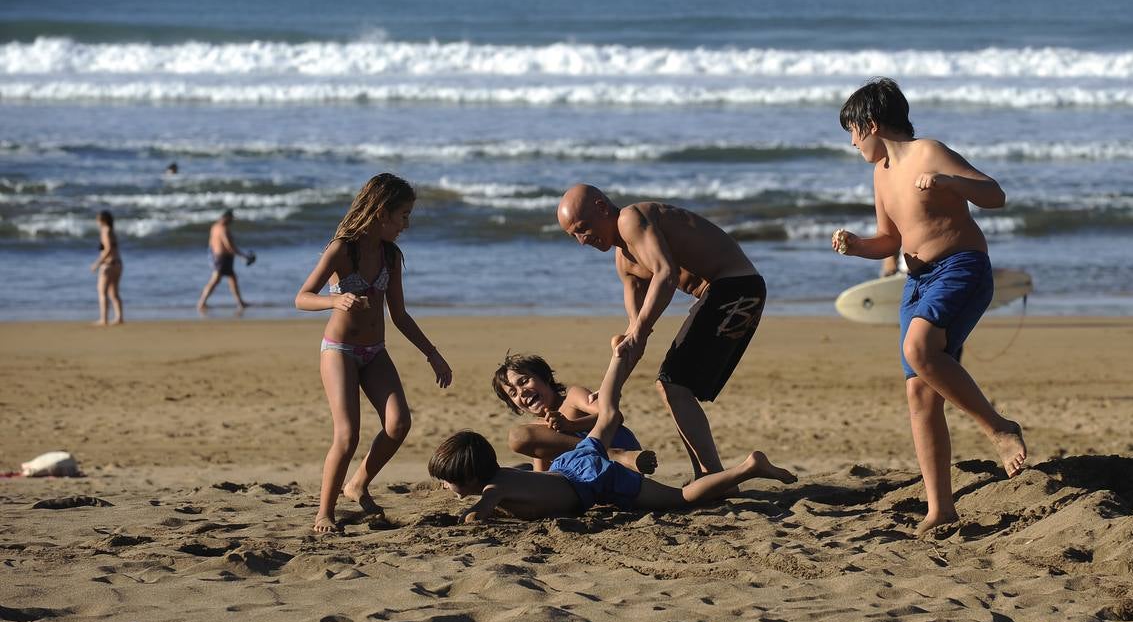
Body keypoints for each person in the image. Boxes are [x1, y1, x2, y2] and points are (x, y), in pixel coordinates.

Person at [832, 78, 1027, 534]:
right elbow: (891, 240)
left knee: (921, 351)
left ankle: (998, 427)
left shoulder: (928, 152)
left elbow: (995, 194)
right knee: (919, 392)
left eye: (853, 132)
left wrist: (948, 181)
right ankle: (941, 508)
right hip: (917, 282)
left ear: (871, 124)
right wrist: (858, 245)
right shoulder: (880, 173)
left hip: (962, 267)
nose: (853, 142)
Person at [430, 339, 796, 522]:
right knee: (600, 419)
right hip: (574, 466)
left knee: (681, 499)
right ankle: (620, 358)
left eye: (448, 481)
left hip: (592, 476)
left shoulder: (497, 486)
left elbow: (481, 512)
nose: (521, 392)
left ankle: (748, 467)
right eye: (512, 392)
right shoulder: (506, 477)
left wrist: (469, 513)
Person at [556, 184, 765, 479]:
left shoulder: (631, 218)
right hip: (721, 295)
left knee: (673, 385)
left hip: (737, 288)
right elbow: (634, 338)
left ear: (602, 207)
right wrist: (606, 391)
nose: (581, 240)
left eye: (583, 228)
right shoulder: (624, 262)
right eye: (574, 236)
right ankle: (709, 477)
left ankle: (713, 478)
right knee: (672, 386)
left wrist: (639, 330)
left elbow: (665, 275)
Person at [295, 173, 454, 534]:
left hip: (374, 351)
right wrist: (334, 300)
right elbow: (301, 297)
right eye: (402, 216)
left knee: (399, 424)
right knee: (347, 434)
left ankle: (358, 484)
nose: (406, 225)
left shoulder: (390, 256)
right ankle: (325, 512)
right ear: (381, 213)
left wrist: (433, 354)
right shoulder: (342, 249)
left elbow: (399, 315)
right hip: (339, 351)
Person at [492, 352, 656, 475]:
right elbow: (543, 474)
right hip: (589, 477)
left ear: (545, 377)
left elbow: (614, 416)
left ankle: (613, 455)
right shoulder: (537, 431)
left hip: (625, 460)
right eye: (513, 393)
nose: (522, 392)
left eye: (524, 381)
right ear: (515, 405)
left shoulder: (572, 398)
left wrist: (571, 425)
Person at [197, 209, 255, 312]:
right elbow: (229, 246)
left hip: (219, 257)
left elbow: (211, 243)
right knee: (215, 281)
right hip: (223, 258)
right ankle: (201, 303)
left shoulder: (214, 227)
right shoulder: (223, 229)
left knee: (232, 279)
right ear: (226, 217)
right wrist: (242, 256)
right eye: (231, 218)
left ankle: (240, 303)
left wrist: (212, 256)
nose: (232, 221)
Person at [90, 210, 124, 326]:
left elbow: (108, 249)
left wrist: (97, 263)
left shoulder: (105, 231)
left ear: (102, 220)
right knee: (114, 293)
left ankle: (103, 319)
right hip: (118, 263)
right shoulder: (112, 231)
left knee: (102, 291)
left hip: (108, 265)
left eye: (98, 220)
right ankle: (119, 317)